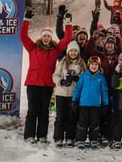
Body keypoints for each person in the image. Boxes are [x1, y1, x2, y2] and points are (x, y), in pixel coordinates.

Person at [20, 10, 73, 144]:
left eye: (48, 36)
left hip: (47, 85)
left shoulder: (55, 49)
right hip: (33, 84)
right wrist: (26, 20)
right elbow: (23, 37)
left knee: (44, 111)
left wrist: (68, 23)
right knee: (32, 111)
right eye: (44, 36)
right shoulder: (33, 48)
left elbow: (67, 39)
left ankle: (42, 135)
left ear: (51, 38)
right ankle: (29, 135)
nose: (46, 38)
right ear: (41, 37)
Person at [52, 41, 86, 147]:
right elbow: (55, 75)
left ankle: (70, 137)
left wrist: (77, 78)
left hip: (73, 93)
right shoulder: (62, 62)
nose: (73, 53)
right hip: (61, 93)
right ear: (68, 52)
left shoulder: (81, 63)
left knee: (72, 116)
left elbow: (85, 78)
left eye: (75, 51)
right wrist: (60, 81)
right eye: (71, 51)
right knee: (60, 116)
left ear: (78, 52)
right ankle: (58, 137)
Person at [71, 55, 109, 150]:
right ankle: (81, 140)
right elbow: (78, 89)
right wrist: (74, 100)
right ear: (88, 65)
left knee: (94, 123)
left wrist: (105, 103)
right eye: (92, 64)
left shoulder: (101, 78)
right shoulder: (84, 76)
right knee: (82, 123)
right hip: (83, 104)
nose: (94, 66)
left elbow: (104, 91)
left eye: (96, 64)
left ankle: (93, 139)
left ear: (99, 66)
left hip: (96, 105)